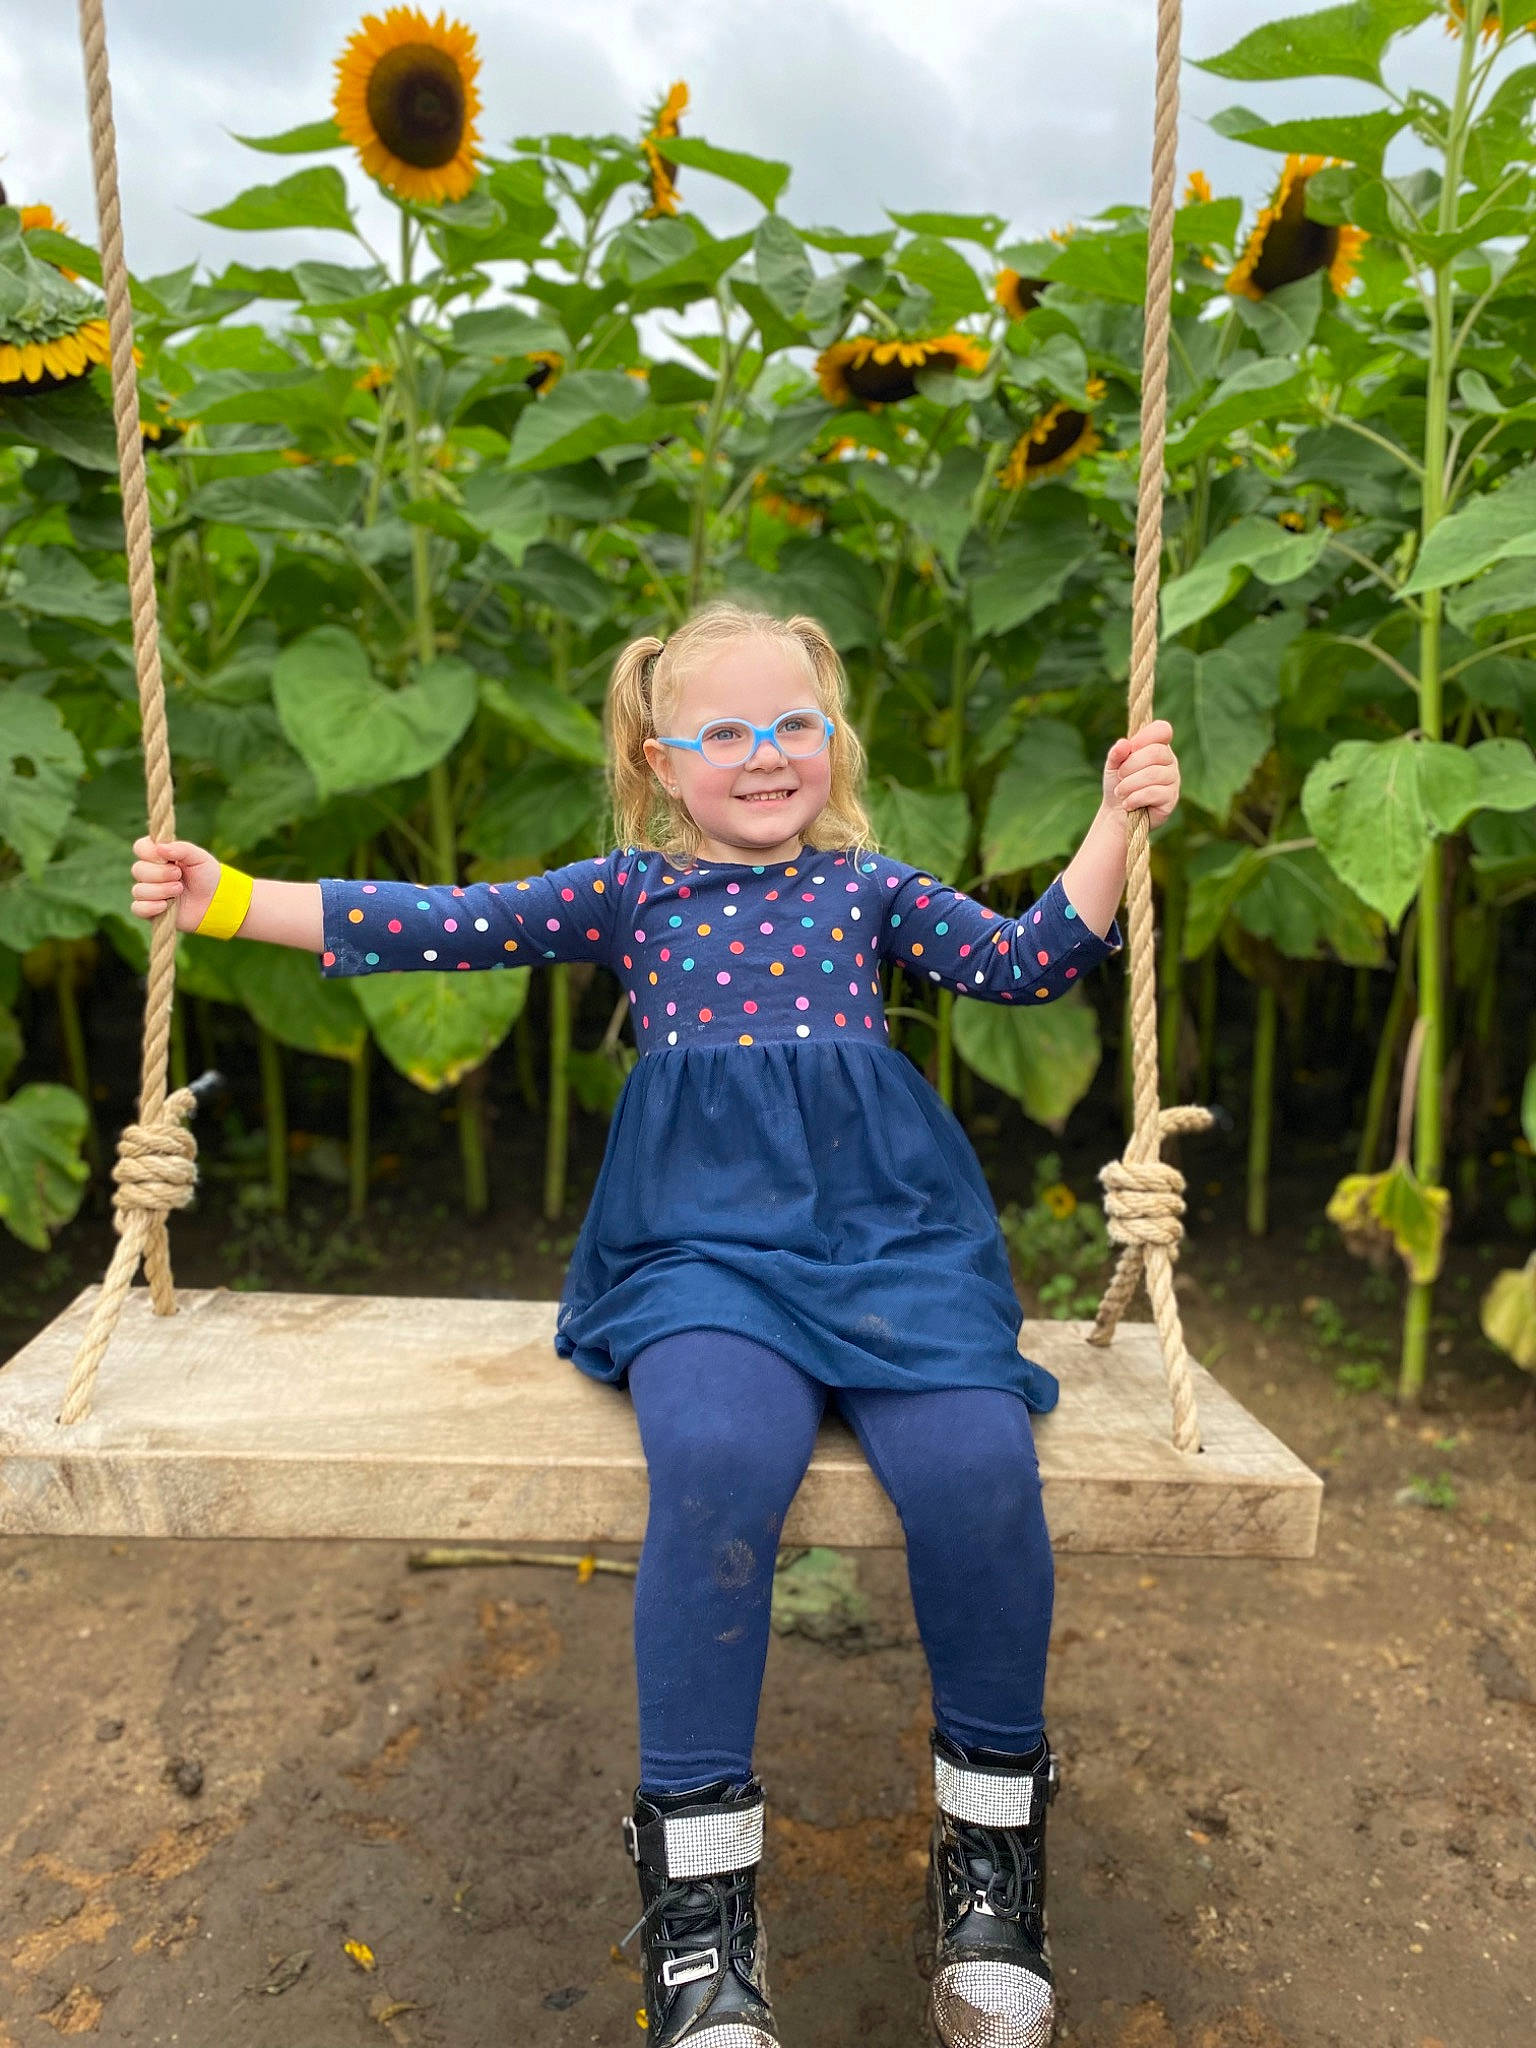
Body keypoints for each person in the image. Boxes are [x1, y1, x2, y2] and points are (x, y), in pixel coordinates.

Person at [130, 599, 1180, 2048]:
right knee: (717, 1464)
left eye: (794, 725)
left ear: (834, 741)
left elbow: (1029, 961)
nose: (767, 755)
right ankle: (702, 1905)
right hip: (701, 1254)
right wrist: (231, 896)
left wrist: (1120, 822)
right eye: (728, 732)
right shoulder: (633, 894)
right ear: (657, 756)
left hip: (891, 1244)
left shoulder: (865, 888)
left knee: (978, 1475)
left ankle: (993, 1858)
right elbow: (450, 925)